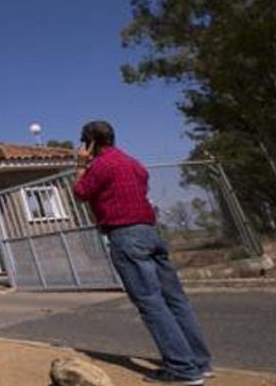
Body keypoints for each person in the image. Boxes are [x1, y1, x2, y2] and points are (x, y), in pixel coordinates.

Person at [73, 120, 212, 385]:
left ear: (90, 143)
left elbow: (80, 192)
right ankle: (200, 362)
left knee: (150, 303)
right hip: (150, 232)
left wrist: (81, 167)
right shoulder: (133, 163)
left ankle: (183, 369)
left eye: (84, 142)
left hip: (126, 235)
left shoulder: (101, 165)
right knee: (176, 300)